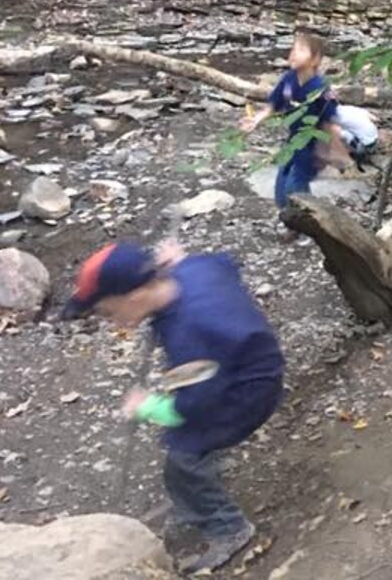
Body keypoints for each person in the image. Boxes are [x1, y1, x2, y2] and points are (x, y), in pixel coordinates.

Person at [62, 241, 283, 574]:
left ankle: (228, 527)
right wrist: (180, 262)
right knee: (187, 441)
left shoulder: (190, 333)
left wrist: (150, 407)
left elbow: (194, 404)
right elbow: (225, 263)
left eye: (109, 312)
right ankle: (205, 495)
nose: (111, 322)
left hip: (246, 392)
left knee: (183, 459)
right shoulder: (192, 271)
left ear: (135, 296)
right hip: (246, 360)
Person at [240, 31, 347, 225]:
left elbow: (330, 122)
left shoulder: (321, 88)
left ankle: (308, 224)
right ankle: (289, 218)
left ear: (315, 60)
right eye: (293, 49)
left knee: (295, 186)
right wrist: (256, 120)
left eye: (301, 50)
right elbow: (274, 104)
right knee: (281, 185)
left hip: (312, 146)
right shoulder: (288, 79)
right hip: (293, 141)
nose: (294, 53)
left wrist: (335, 151)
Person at [331, 104, 379, 171]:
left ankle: (344, 159)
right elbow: (375, 118)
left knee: (334, 133)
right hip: (374, 139)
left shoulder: (335, 117)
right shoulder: (349, 108)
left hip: (364, 147)